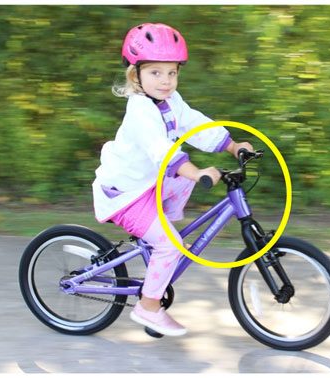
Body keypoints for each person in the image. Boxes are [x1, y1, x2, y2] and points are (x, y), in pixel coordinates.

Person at [92, 23, 253, 336]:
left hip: (148, 185)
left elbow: (196, 124)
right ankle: (148, 307)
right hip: (125, 194)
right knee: (171, 243)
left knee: (183, 184)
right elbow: (161, 151)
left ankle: (162, 240)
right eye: (156, 73)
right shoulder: (140, 110)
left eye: (172, 73)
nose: (166, 81)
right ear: (135, 74)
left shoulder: (171, 101)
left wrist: (232, 146)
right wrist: (197, 170)